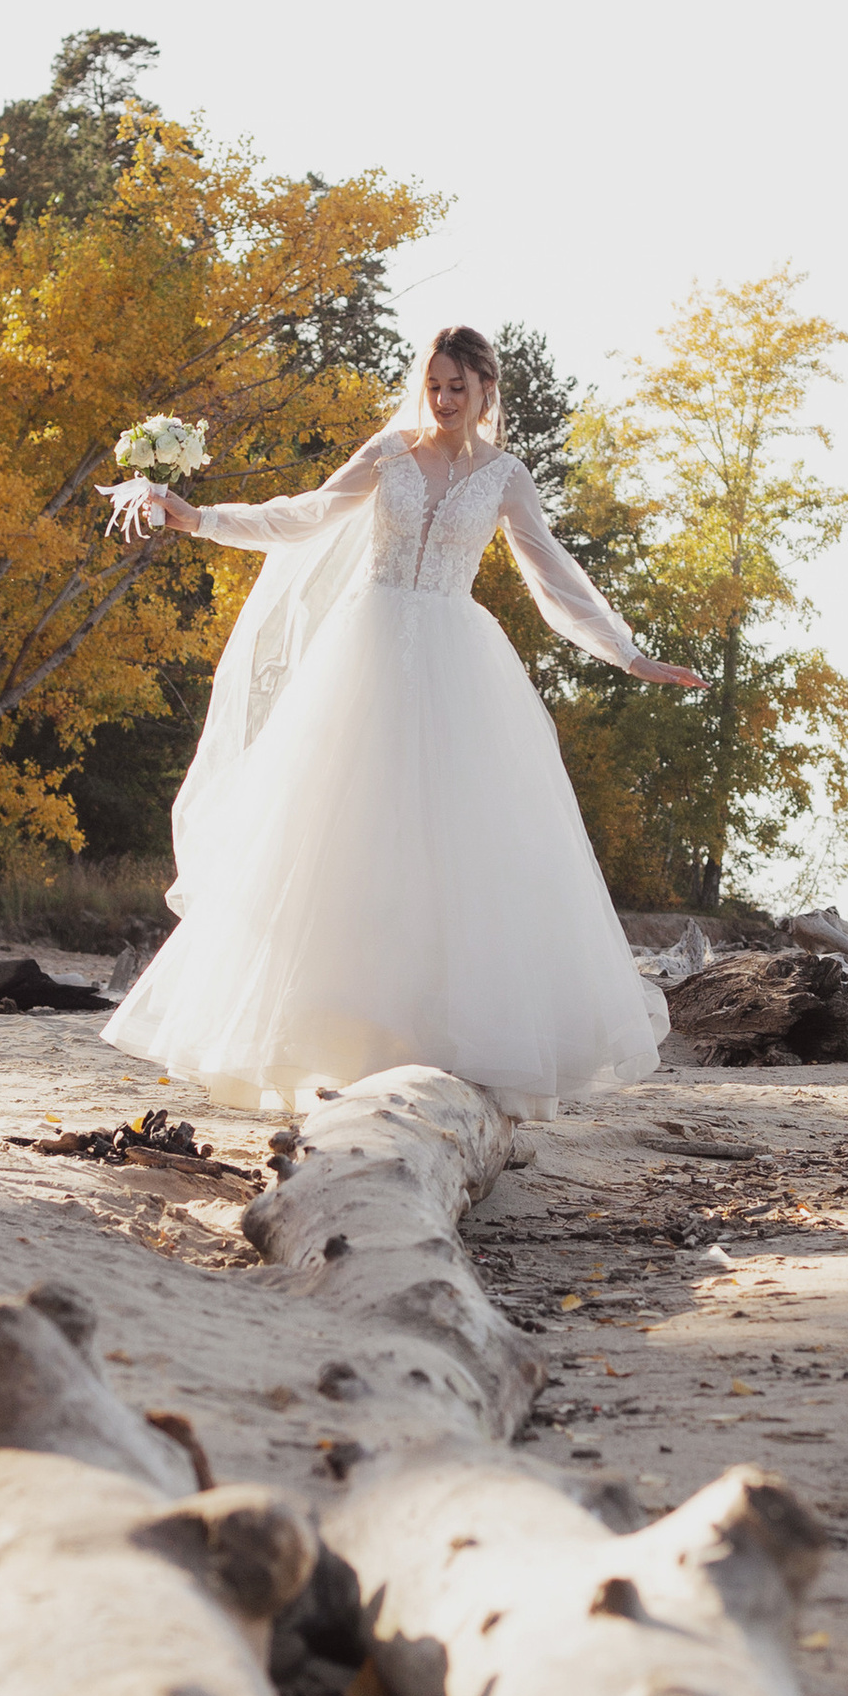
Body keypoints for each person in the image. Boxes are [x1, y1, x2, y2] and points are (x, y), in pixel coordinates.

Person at [101, 325, 707, 1114]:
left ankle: (442, 1052)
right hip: (366, 657)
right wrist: (196, 517)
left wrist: (629, 655)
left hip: (460, 669)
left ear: (487, 390)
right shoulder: (389, 453)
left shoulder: (507, 477)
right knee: (343, 845)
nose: (447, 401)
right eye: (436, 386)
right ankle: (344, 1046)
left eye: (461, 387)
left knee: (458, 855)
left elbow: (556, 580)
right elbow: (305, 516)